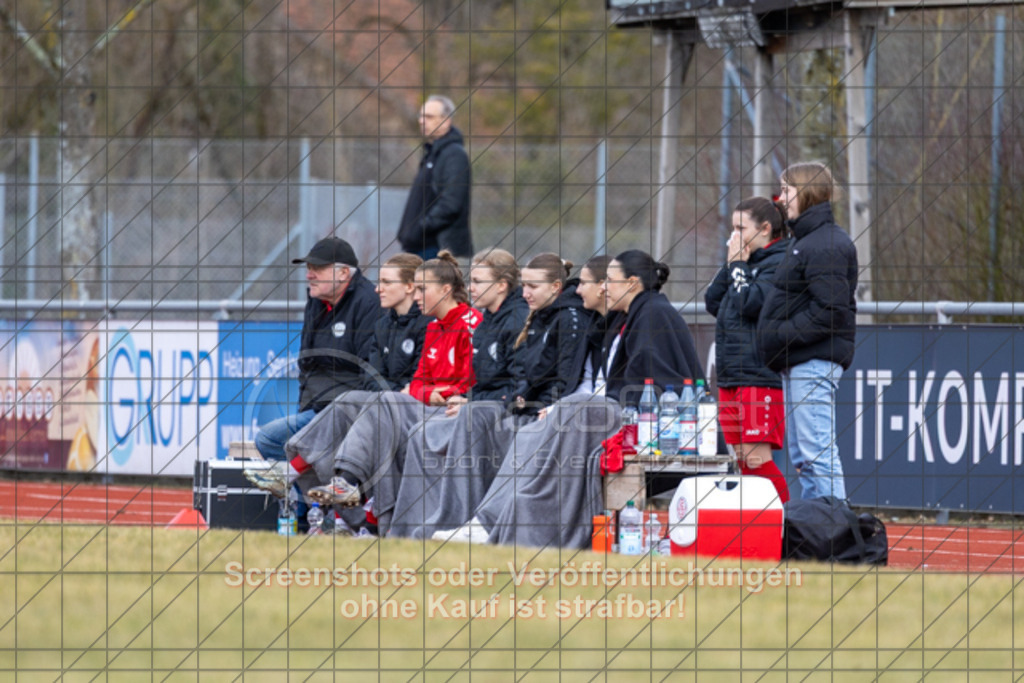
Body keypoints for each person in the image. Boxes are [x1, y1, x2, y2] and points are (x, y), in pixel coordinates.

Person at [435, 250, 703, 548]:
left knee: (573, 407)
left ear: (631, 283)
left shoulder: (653, 313)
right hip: (604, 413)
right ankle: (488, 521)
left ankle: (497, 524)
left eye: (608, 282)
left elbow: (657, 388)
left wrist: (568, 405)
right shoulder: (619, 319)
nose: (599, 288)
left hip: (650, 424)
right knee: (531, 432)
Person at [389, 253, 594, 538]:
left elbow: (540, 382)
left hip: (519, 412)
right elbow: (487, 379)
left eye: (477, 281)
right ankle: (405, 529)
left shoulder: (539, 318)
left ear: (500, 285)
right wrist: (470, 399)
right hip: (501, 406)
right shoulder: (492, 321)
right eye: (525, 286)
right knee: (420, 433)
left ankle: (462, 522)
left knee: (467, 420)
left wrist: (487, 402)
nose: (470, 287)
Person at [305, 251, 481, 510]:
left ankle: (352, 499)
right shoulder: (433, 326)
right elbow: (418, 381)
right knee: (352, 400)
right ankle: (321, 482)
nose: (417, 297)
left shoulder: (471, 324)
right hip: (420, 405)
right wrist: (424, 393)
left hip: (450, 412)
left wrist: (436, 395)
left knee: (383, 407)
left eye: (422, 289)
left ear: (445, 289)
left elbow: (472, 382)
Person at [253, 253, 430, 495]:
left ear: (410, 287)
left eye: (387, 282)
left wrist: (394, 393)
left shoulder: (426, 324)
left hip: (400, 410)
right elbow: (369, 375)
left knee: (343, 406)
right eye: (379, 282)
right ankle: (313, 508)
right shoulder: (382, 323)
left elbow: (418, 380)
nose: (379, 289)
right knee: (336, 411)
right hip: (352, 406)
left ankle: (314, 500)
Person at [757, 162, 858, 500]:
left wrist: (782, 334)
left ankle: (833, 537)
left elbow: (831, 311)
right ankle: (817, 533)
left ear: (805, 192)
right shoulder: (809, 240)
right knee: (804, 459)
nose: (780, 198)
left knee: (817, 455)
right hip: (799, 360)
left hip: (813, 360)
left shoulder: (825, 243)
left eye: (785, 190)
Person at [248, 236, 380, 473]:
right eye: (309, 268)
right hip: (316, 409)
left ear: (342, 274)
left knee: (269, 439)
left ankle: (320, 502)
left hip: (347, 413)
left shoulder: (369, 302)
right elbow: (307, 364)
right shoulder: (317, 301)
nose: (309, 275)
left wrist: (333, 416)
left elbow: (369, 371)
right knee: (279, 443)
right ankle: (311, 506)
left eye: (317, 269)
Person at [705, 197, 792, 503]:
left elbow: (749, 303)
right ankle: (763, 529)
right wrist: (733, 264)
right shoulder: (745, 260)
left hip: (758, 376)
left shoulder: (780, 261)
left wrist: (739, 266)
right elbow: (712, 301)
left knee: (758, 459)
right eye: (733, 228)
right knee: (742, 459)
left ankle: (788, 524)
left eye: (741, 228)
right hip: (731, 376)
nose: (734, 236)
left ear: (766, 229)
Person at [397, 95, 473, 259]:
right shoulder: (433, 154)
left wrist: (421, 228)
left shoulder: (454, 155)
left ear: (446, 121)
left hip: (435, 248)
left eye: (429, 117)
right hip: (419, 246)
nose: (422, 121)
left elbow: (451, 203)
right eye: (421, 116)